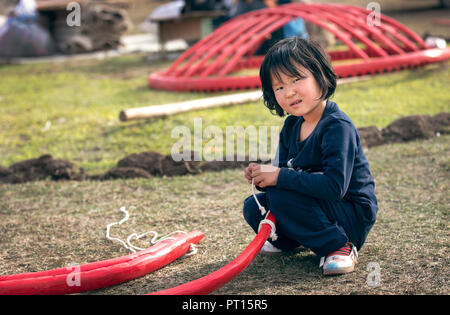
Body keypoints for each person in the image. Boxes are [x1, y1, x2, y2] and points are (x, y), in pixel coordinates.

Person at [243, 37, 378, 276]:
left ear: (321, 76)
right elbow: (283, 176)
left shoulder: (337, 127)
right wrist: (263, 177)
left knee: (283, 195)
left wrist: (279, 177)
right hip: (314, 206)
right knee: (253, 207)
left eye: (297, 79)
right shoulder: (291, 126)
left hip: (349, 214)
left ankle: (339, 245)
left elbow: (335, 187)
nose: (289, 92)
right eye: (279, 87)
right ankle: (291, 240)